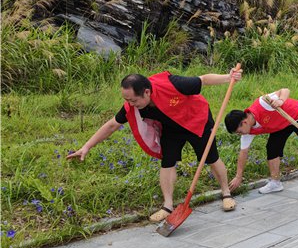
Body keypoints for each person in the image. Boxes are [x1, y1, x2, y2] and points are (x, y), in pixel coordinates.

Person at [67, 69, 242, 222]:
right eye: (127, 100)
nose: (131, 104)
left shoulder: (172, 83)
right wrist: (87, 146)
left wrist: (228, 77)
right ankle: (167, 206)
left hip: (197, 121)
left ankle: (226, 193)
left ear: (147, 92)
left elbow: (202, 79)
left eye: (134, 100)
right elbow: (112, 124)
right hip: (171, 128)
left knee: (211, 158)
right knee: (167, 162)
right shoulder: (133, 105)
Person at [224, 88, 298, 195]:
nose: (240, 134)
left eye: (239, 131)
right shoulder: (248, 131)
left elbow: (285, 90)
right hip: (280, 125)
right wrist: (238, 176)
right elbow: (243, 153)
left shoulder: (262, 103)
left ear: (244, 122)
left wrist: (281, 100)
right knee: (272, 148)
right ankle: (275, 182)